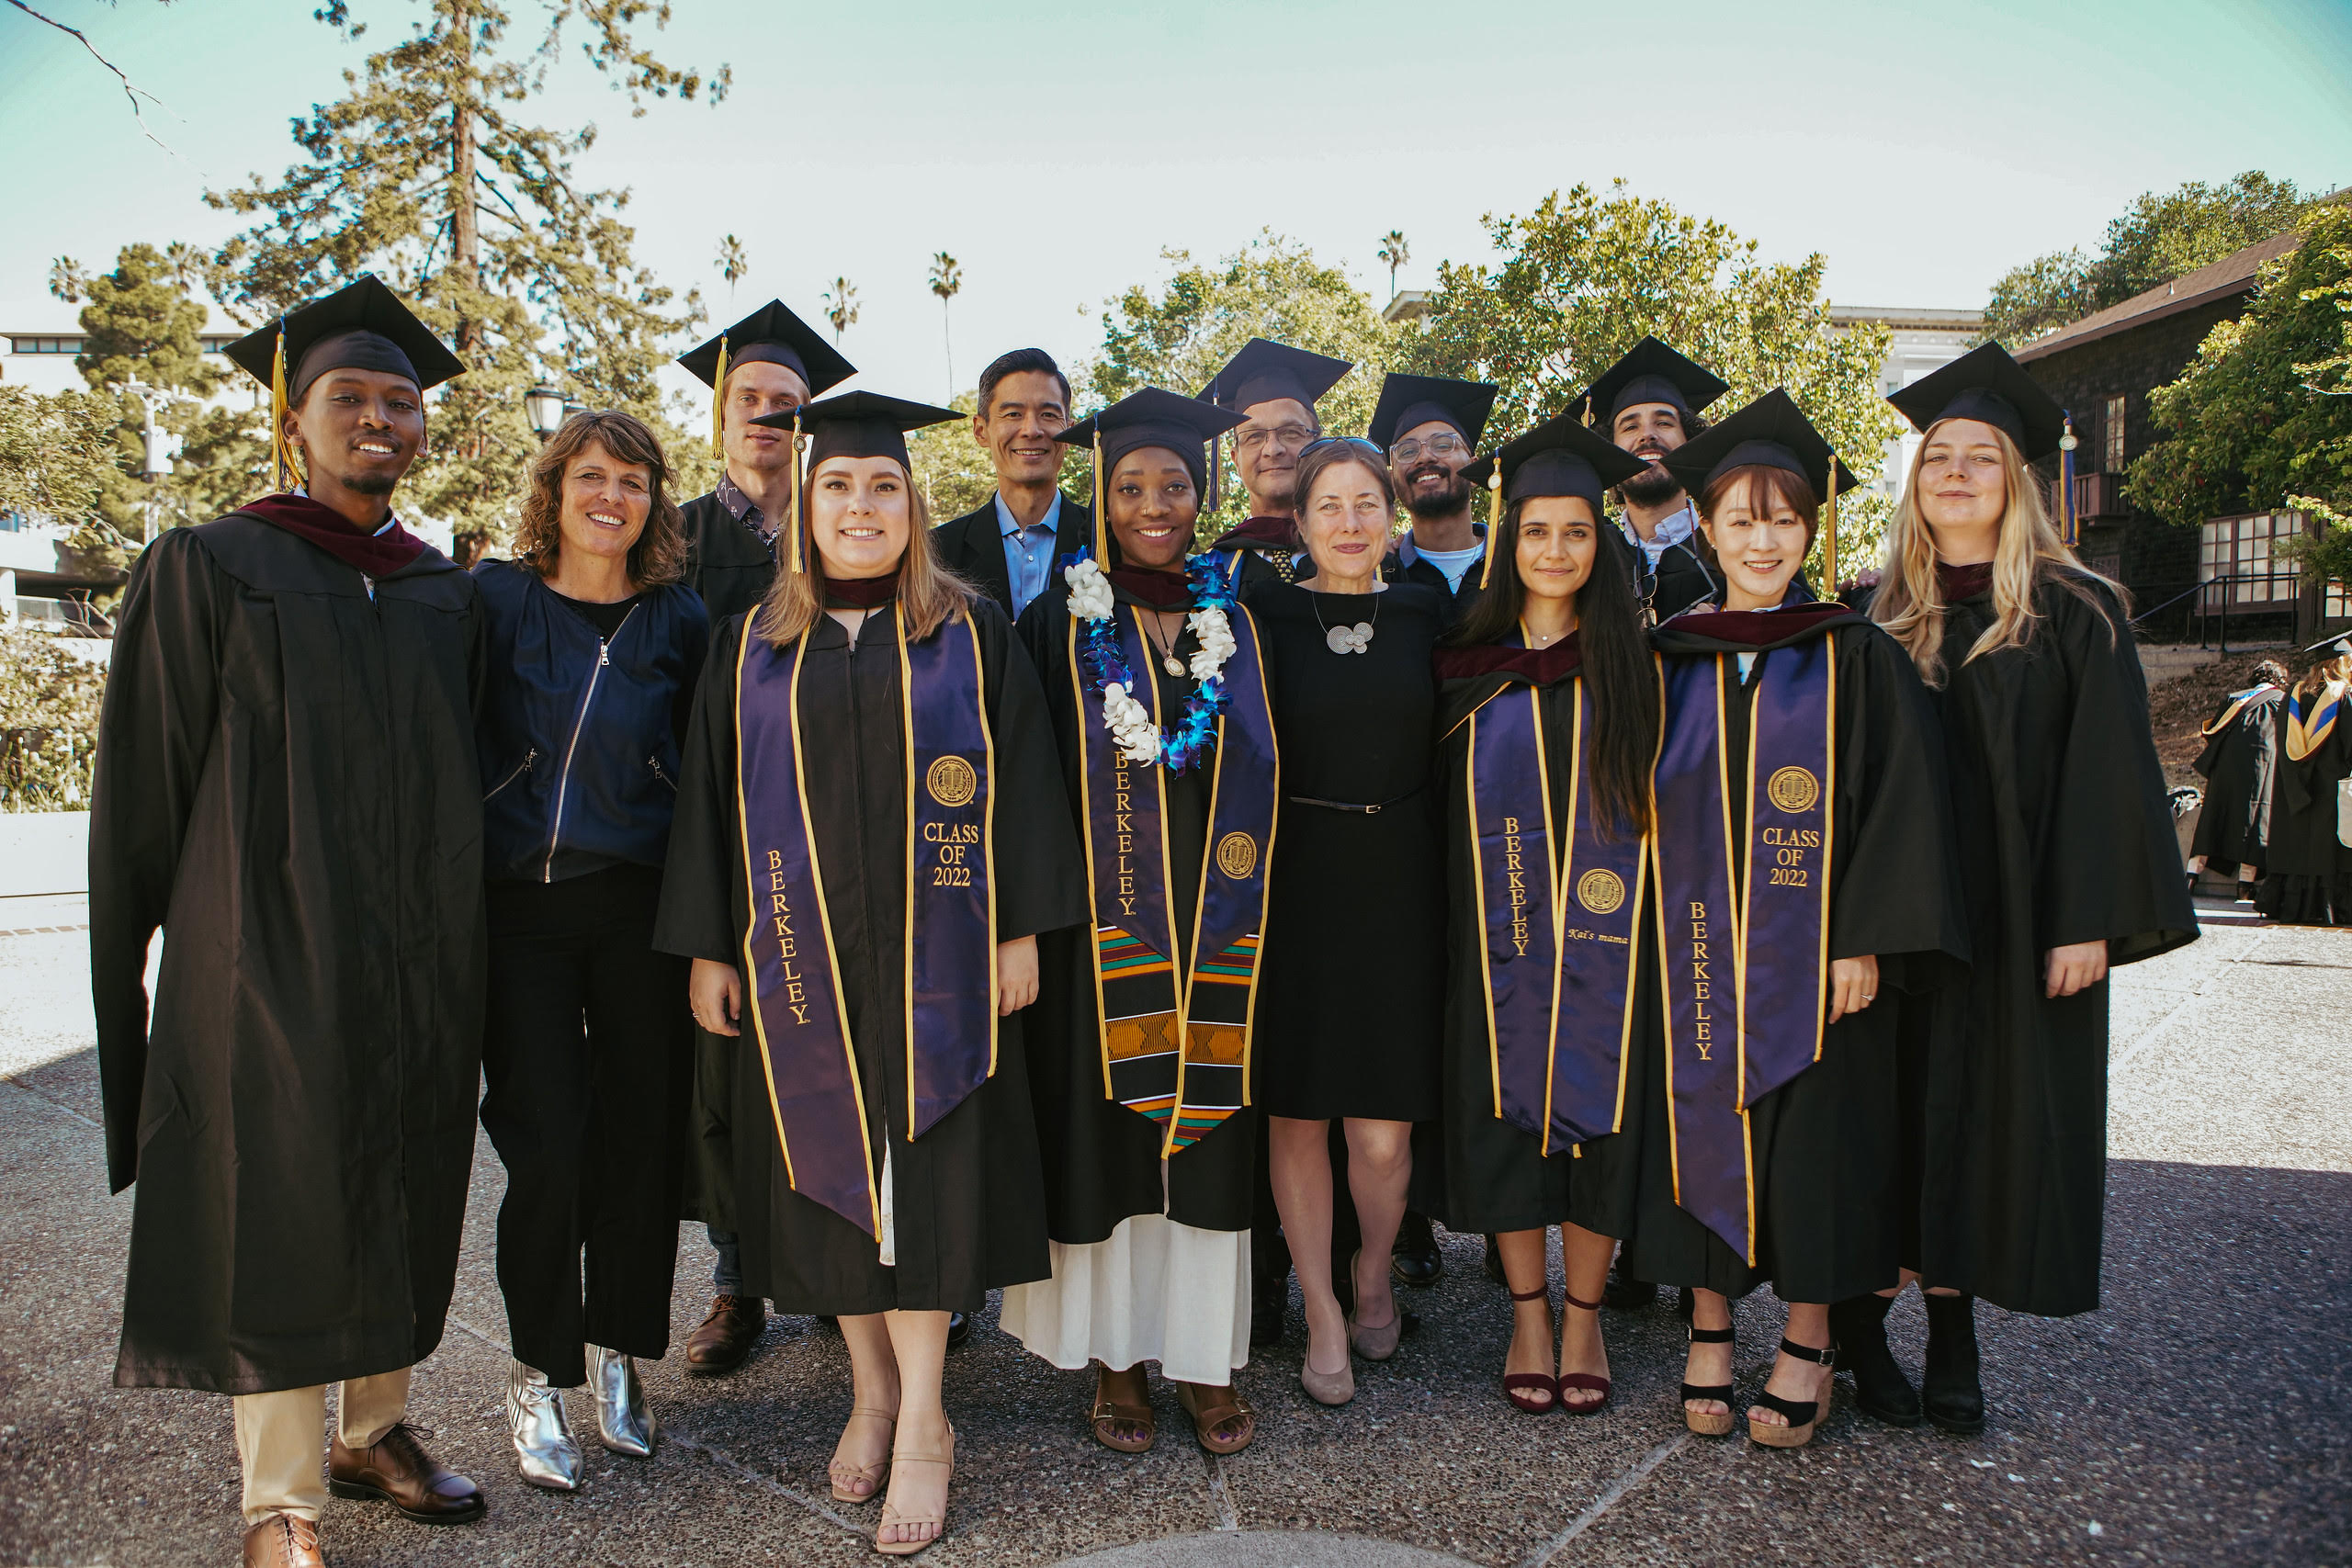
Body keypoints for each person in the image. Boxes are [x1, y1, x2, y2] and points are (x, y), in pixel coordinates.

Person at [90, 276, 489, 1568]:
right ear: (293, 420)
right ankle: (282, 1496)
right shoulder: (210, 564)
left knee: (397, 1171)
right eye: (350, 399)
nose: (379, 419)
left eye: (399, 401)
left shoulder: (437, 591)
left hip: (417, 948)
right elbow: (144, 792)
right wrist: (145, 978)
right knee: (281, 1196)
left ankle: (377, 1429)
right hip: (260, 946)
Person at [656, 390, 1085, 1554]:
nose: (860, 505)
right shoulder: (751, 640)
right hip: (799, 956)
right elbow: (706, 799)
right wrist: (706, 943)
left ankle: (929, 1420)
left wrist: (1019, 930)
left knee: (931, 1172)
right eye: (838, 486)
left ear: (914, 503)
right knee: (827, 1171)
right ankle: (869, 1390)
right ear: (808, 504)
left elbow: (1030, 783)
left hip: (937, 958)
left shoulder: (970, 629)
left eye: (882, 486)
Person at [1615, 389, 1968, 1450]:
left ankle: (1808, 1337)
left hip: (1820, 963)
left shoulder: (1854, 655)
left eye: (1782, 519)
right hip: (1691, 962)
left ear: (1809, 531)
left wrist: (1861, 934)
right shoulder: (1670, 653)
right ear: (1708, 529)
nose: (1761, 539)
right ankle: (1711, 1324)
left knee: (1819, 1149)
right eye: (1740, 519)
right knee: (1701, 1127)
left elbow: (1902, 804)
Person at [1868, 344, 2195, 1432]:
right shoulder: (1876, 616)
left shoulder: (2075, 610)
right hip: (1896, 923)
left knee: (1984, 1127)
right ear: (1914, 486)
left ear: (2017, 480)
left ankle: (1954, 1339)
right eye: (1935, 459)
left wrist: (2087, 922)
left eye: (1979, 459)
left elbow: (2107, 781)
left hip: (2012, 918)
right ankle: (1866, 1333)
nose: (1953, 475)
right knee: (1894, 1119)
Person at [999, 388, 1271, 1458]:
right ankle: (1115, 1359)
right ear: (1099, 498)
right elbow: (1019, 783)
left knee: (1205, 1142)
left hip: (1218, 934)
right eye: (1130, 486)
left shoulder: (1236, 621)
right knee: (1108, 1142)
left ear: (1201, 495)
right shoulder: (1054, 621)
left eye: (1173, 485)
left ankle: (1204, 1361)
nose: (1153, 504)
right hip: (1099, 942)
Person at [472, 410, 709, 1490]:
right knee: (548, 1147)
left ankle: (617, 1349)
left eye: (633, 480)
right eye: (591, 477)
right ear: (555, 489)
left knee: (637, 1142)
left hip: (636, 909)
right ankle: (536, 1369)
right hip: (519, 909)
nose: (611, 496)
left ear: (656, 500)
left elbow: (706, 778)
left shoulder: (678, 620)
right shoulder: (496, 599)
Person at [1431, 414, 1656, 1416]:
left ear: (1599, 542)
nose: (1555, 550)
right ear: (1505, 541)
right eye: (1535, 531)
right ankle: (1529, 1310)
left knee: (1606, 1118)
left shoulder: (1646, 671)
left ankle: (1586, 1315)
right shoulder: (1462, 673)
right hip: (1496, 953)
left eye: (1575, 531)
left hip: (1616, 951)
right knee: (1501, 1113)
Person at [1245, 436, 1450, 1405]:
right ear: (1300, 518)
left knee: (1380, 1130)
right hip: (1293, 881)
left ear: (1393, 510)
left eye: (1366, 503)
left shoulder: (1425, 611)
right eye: (1329, 505)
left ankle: (1376, 1271)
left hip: (1401, 876)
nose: (1349, 523)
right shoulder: (1262, 613)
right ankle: (1323, 1308)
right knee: (1296, 1113)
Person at [672, 299, 856, 1371]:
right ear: (721, 415)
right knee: (728, 1073)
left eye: (789, 410)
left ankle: (836, 1271)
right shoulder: (676, 537)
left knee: (839, 1059)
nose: (770, 424)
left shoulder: (839, 526)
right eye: (752, 404)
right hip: (726, 830)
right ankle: (739, 1285)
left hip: (838, 840)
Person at [932, 348, 1094, 620]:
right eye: (1013, 414)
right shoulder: (938, 554)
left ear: (1069, 431)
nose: (1031, 429)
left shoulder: (1104, 543)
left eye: (1049, 415)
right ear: (980, 431)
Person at [1580, 336, 1730, 624]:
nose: (1647, 435)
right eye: (1630, 426)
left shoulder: (1733, 549)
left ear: (1690, 441)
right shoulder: (1588, 554)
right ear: (1609, 450)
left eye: (1663, 423)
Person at [1197, 337, 1355, 592]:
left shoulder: (1370, 557)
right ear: (1235, 459)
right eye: (1254, 437)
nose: (1273, 449)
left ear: (1319, 444)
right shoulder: (1209, 574)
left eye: (1291, 432)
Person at [1372, 371, 1501, 621]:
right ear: (1392, 482)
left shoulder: (1515, 562)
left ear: (1474, 468)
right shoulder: (1381, 575)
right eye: (1407, 451)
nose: (1425, 457)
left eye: (1443, 445)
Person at [2258, 635, 2352, 924]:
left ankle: (2289, 905)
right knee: (2328, 848)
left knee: (2297, 843)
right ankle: (2329, 908)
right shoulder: (2344, 696)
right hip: (2330, 789)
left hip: (2293, 790)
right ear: (2342, 664)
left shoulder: (2293, 695)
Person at [2187, 658, 2289, 902]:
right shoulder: (2281, 700)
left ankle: (2190, 877)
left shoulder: (2235, 699)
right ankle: (2245, 885)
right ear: (2279, 681)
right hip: (2262, 765)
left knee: (2214, 816)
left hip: (2226, 766)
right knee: (2255, 821)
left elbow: (2214, 733)